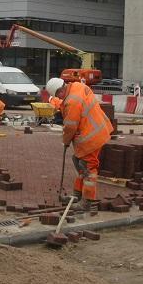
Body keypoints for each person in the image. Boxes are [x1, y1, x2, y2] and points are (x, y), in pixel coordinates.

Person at [46, 77, 113, 210]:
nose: (59, 98)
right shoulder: (77, 86)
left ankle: (86, 202)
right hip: (97, 129)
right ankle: (77, 195)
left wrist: (65, 141)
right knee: (77, 160)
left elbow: (70, 126)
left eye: (57, 96)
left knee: (87, 167)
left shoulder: (71, 101)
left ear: (59, 92)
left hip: (91, 137)